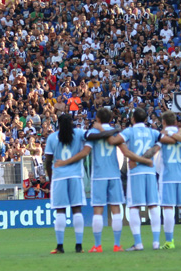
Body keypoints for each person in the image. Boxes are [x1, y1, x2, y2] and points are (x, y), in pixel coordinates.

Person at [55, 107, 123, 253]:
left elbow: (85, 152)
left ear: (97, 118)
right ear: (110, 119)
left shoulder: (93, 132)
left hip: (99, 175)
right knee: (116, 208)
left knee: (98, 209)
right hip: (114, 174)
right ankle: (117, 245)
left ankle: (97, 246)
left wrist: (66, 162)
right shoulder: (115, 132)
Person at [108, 107, 162, 251]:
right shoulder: (153, 132)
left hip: (135, 172)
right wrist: (152, 152)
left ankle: (138, 243)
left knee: (133, 207)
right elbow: (163, 141)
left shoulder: (129, 131)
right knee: (153, 205)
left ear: (132, 119)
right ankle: (156, 242)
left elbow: (115, 141)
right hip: (150, 172)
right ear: (146, 120)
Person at [45, 114, 90, 254]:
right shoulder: (78, 133)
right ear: (72, 123)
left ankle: (60, 246)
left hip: (59, 177)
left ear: (57, 124)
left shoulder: (52, 137)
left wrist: (51, 177)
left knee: (60, 211)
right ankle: (79, 246)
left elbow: (48, 161)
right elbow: (91, 135)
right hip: (76, 175)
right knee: (77, 210)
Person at [157, 111, 181, 249]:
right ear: (175, 121)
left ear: (163, 122)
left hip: (167, 176)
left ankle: (169, 242)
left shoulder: (162, 134)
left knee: (168, 209)